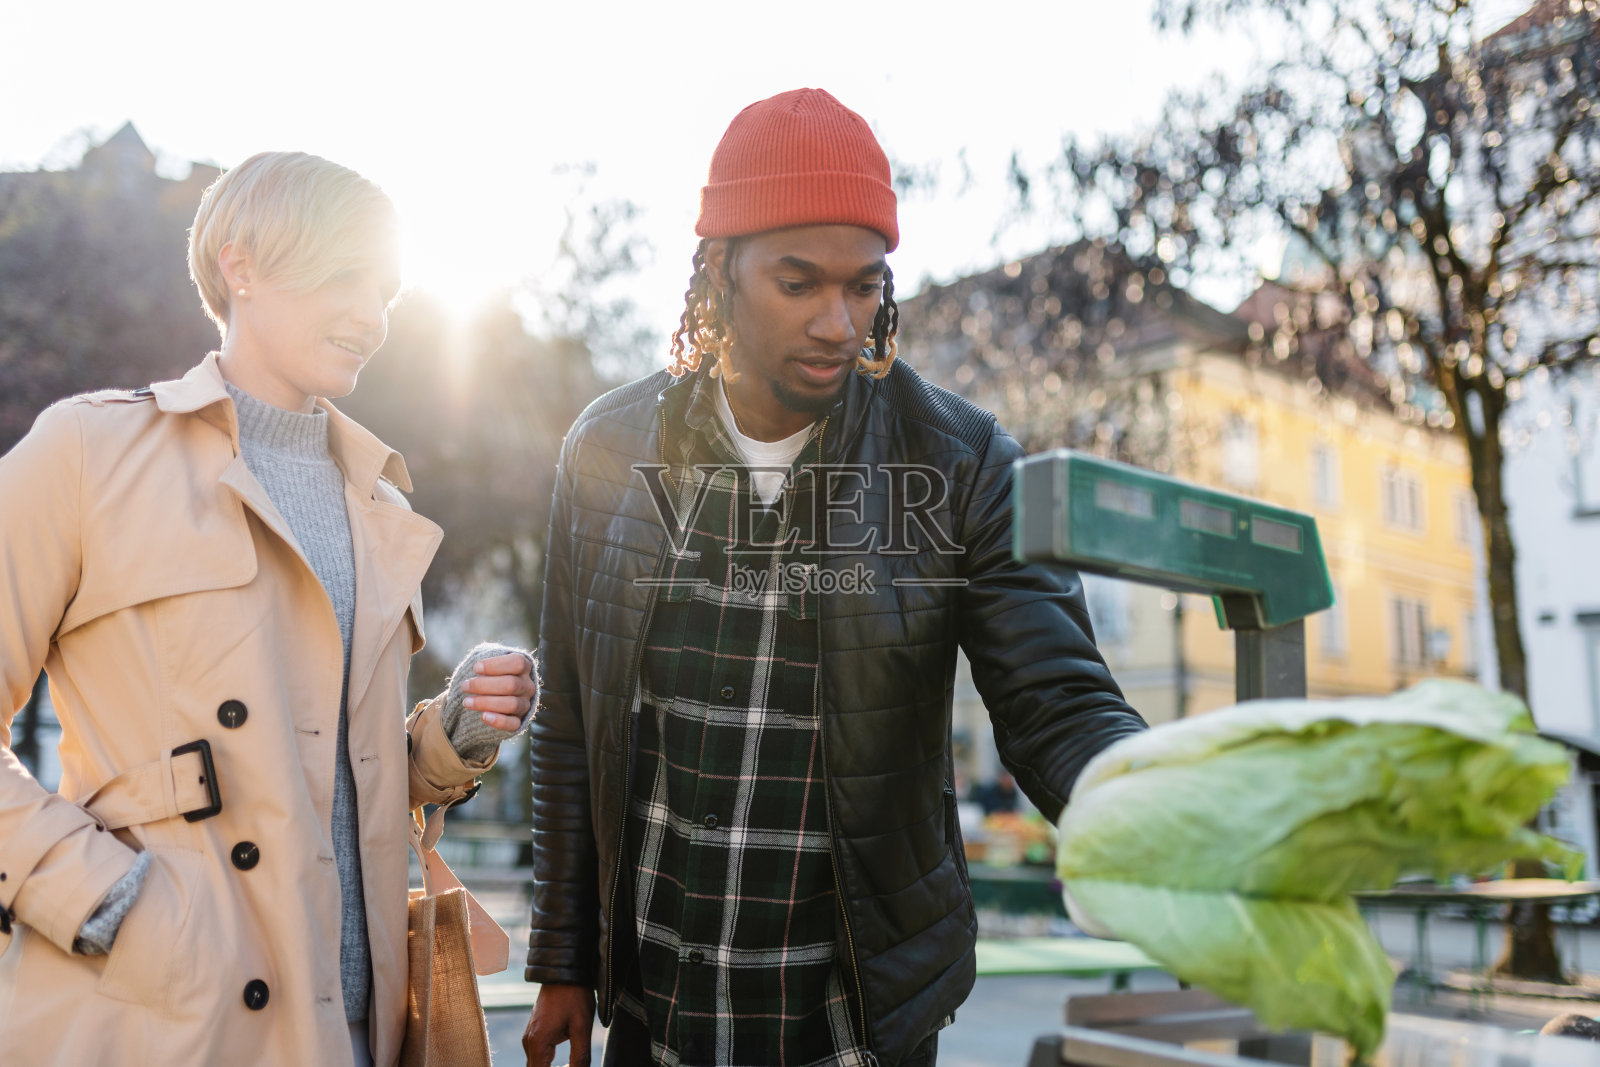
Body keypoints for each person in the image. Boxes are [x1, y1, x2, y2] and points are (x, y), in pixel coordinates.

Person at [521, 88, 1145, 1067]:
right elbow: (569, 720)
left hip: (853, 1023)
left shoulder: (962, 462)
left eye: (863, 286)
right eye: (799, 282)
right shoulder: (604, 451)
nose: (836, 322)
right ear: (720, 272)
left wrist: (1165, 803)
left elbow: (1056, 701)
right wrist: (562, 957)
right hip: (654, 1013)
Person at [0, 151, 536, 1066]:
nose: (373, 315)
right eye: (344, 277)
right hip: (164, 1020)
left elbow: (331, 778)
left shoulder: (383, 505)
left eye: (388, 289)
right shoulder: (89, 452)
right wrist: (96, 896)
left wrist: (452, 733)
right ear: (240, 264)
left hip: (360, 1022)